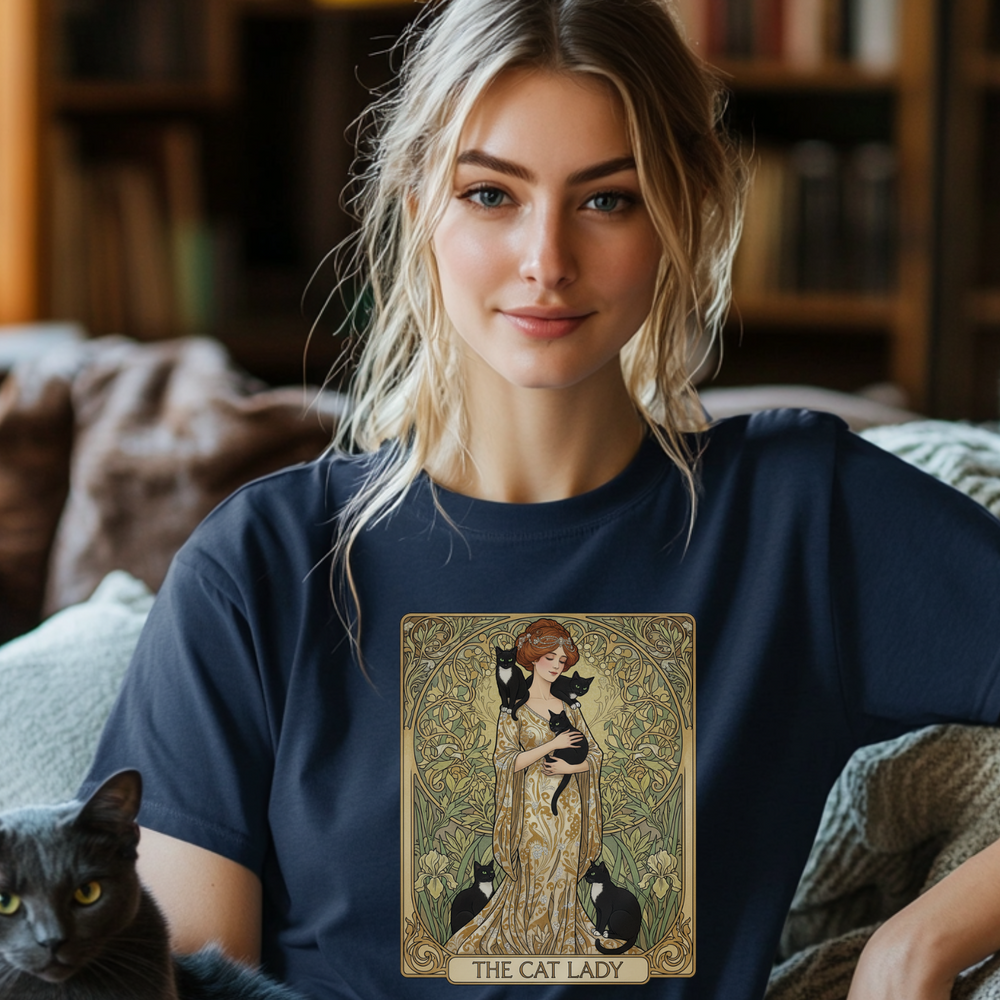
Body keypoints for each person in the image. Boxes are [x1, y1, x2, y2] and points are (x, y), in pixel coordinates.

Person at [79, 0, 1000, 997]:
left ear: (683, 208)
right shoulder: (264, 567)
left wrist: (919, 943)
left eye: (606, 199)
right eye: (490, 194)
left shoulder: (796, 519)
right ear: (415, 199)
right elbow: (181, 981)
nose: (546, 260)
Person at [446, 618, 605, 956]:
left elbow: (596, 756)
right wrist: (551, 746)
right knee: (534, 871)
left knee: (563, 872)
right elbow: (504, 761)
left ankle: (562, 941)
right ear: (533, 658)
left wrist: (569, 765)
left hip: (570, 808)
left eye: (563, 661)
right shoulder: (513, 710)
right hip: (531, 810)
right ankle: (526, 941)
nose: (557, 667)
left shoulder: (570, 708)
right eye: (551, 659)